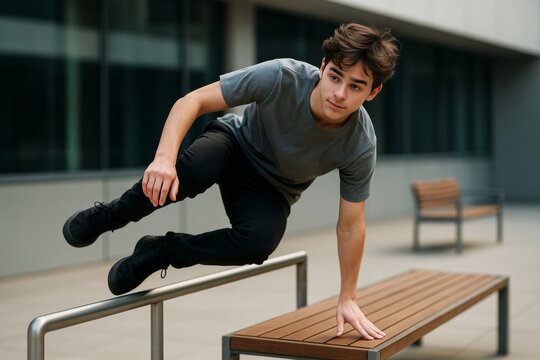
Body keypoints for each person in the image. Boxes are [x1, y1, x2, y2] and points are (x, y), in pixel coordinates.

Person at [63, 22, 399, 340]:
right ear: (323, 66)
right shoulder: (282, 76)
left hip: (274, 186)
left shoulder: (359, 144)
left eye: (355, 86)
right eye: (335, 77)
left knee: (258, 242)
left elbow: (351, 225)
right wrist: (164, 159)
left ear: (374, 92)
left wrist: (348, 297)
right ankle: (111, 215)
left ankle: (161, 251)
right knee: (192, 170)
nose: (339, 93)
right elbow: (192, 101)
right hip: (234, 143)